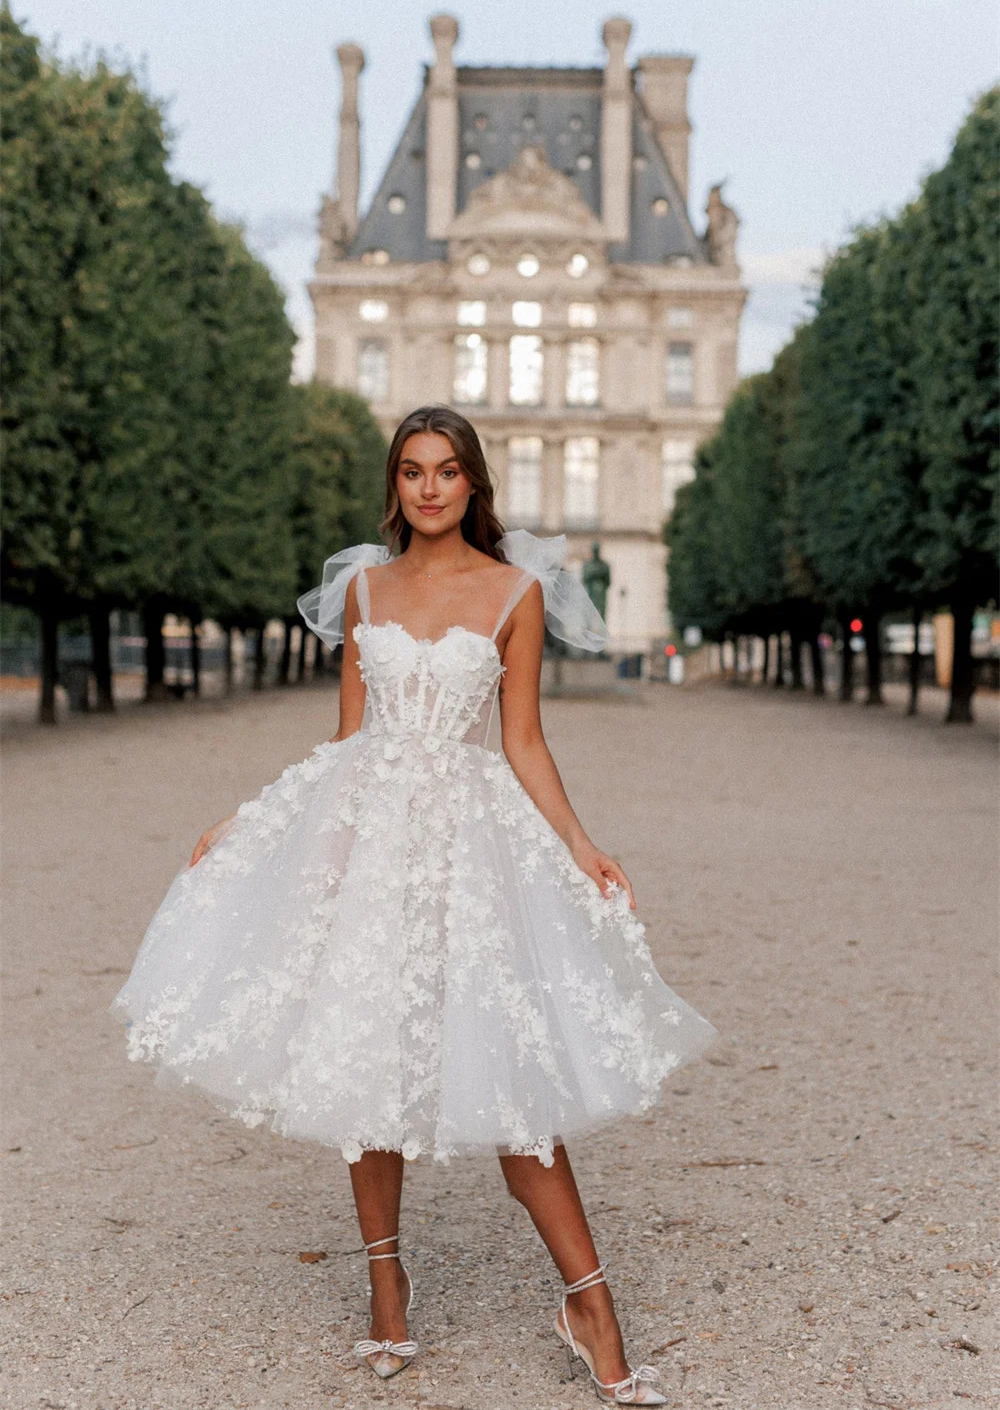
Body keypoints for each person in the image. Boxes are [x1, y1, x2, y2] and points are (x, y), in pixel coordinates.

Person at [109, 404, 719, 1405]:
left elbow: (520, 738)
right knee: (368, 1065)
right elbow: (349, 738)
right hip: (373, 834)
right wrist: (250, 824)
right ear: (394, 485)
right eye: (410, 470)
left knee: (516, 1079)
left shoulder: (514, 589)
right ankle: (386, 1287)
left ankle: (591, 1305)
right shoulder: (363, 587)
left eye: (445, 470)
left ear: (473, 482)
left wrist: (577, 840)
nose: (428, 486)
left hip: (473, 848)